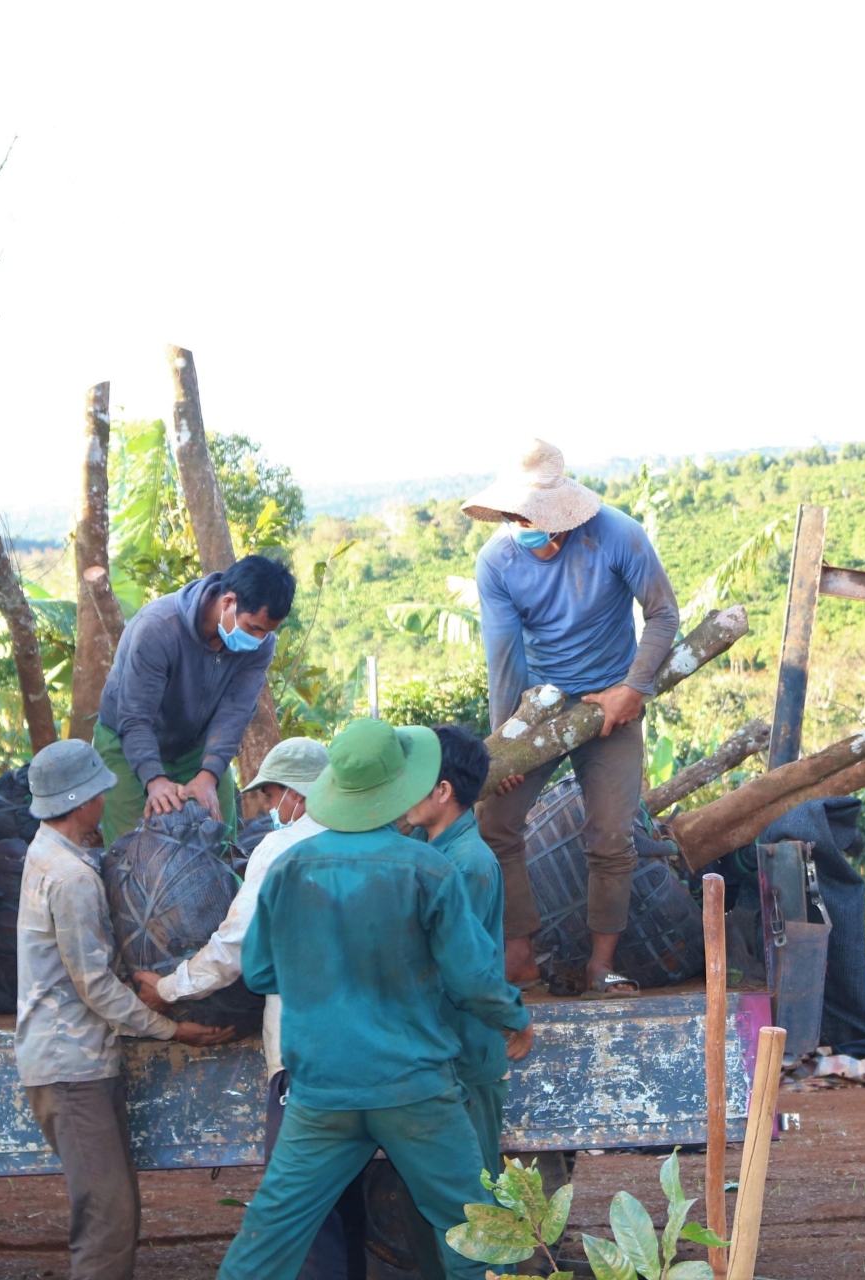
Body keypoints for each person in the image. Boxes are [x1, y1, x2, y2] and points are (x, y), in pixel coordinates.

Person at [216, 719, 534, 1280]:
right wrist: (515, 1020)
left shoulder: (289, 866)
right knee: (477, 1233)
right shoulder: (430, 869)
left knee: (268, 1240)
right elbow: (472, 980)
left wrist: (329, 970)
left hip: (322, 1091)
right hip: (413, 1089)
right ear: (400, 783)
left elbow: (261, 971)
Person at [135, 735, 367, 1280]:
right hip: (369, 1050)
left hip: (302, 1057)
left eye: (268, 799)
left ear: (293, 793)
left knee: (301, 1211)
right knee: (348, 1200)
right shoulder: (372, 839)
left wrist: (166, 990)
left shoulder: (280, 850)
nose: (266, 811)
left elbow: (234, 948)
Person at [463, 438, 679, 994]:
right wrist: (504, 746)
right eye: (522, 520)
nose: (534, 531)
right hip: (539, 707)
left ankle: (600, 965)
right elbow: (504, 663)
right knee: (494, 823)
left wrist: (633, 688)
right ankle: (520, 955)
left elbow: (662, 614)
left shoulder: (618, 535)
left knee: (611, 836)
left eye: (544, 521)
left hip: (613, 707)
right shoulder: (497, 563)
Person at [13, 738, 233, 1280]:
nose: (106, 803)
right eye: (100, 794)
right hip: (70, 1068)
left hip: (74, 1061)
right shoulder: (71, 879)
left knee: (116, 1207)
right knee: (106, 1219)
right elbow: (96, 988)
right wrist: (170, 1026)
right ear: (83, 801)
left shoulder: (50, 854)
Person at [93, 554, 296, 846]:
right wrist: (155, 780)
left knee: (221, 839)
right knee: (133, 850)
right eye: (253, 628)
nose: (260, 639)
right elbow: (135, 717)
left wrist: (209, 774)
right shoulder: (157, 628)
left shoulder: (261, 644)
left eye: (267, 632)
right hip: (125, 739)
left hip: (195, 744)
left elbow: (236, 711)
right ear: (228, 603)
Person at [402, 724, 509, 1170]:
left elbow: (455, 971)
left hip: (462, 1057)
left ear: (443, 790)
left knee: (472, 1199)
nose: (402, 789)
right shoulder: (420, 845)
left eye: (413, 779)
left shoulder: (470, 864)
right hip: (436, 1057)